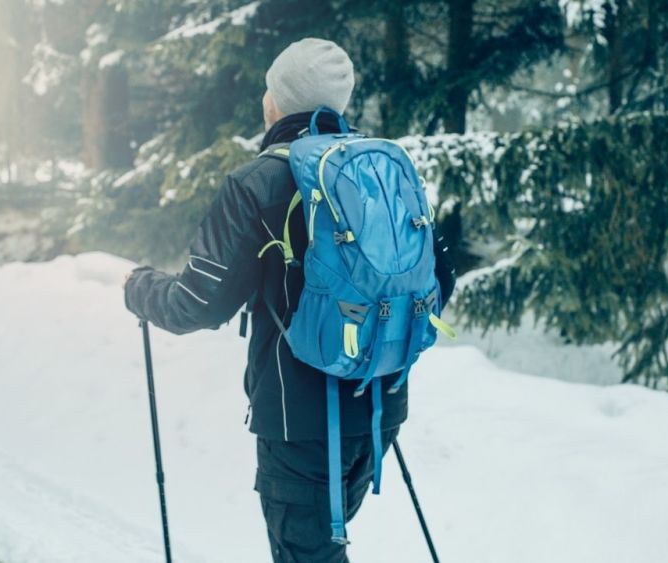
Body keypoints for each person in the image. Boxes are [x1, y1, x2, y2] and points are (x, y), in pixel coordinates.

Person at [124, 37, 456, 563]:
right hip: (380, 407)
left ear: (276, 102)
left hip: (298, 424)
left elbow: (198, 303)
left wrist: (139, 289)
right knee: (321, 548)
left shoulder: (257, 183)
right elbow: (438, 279)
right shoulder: (381, 172)